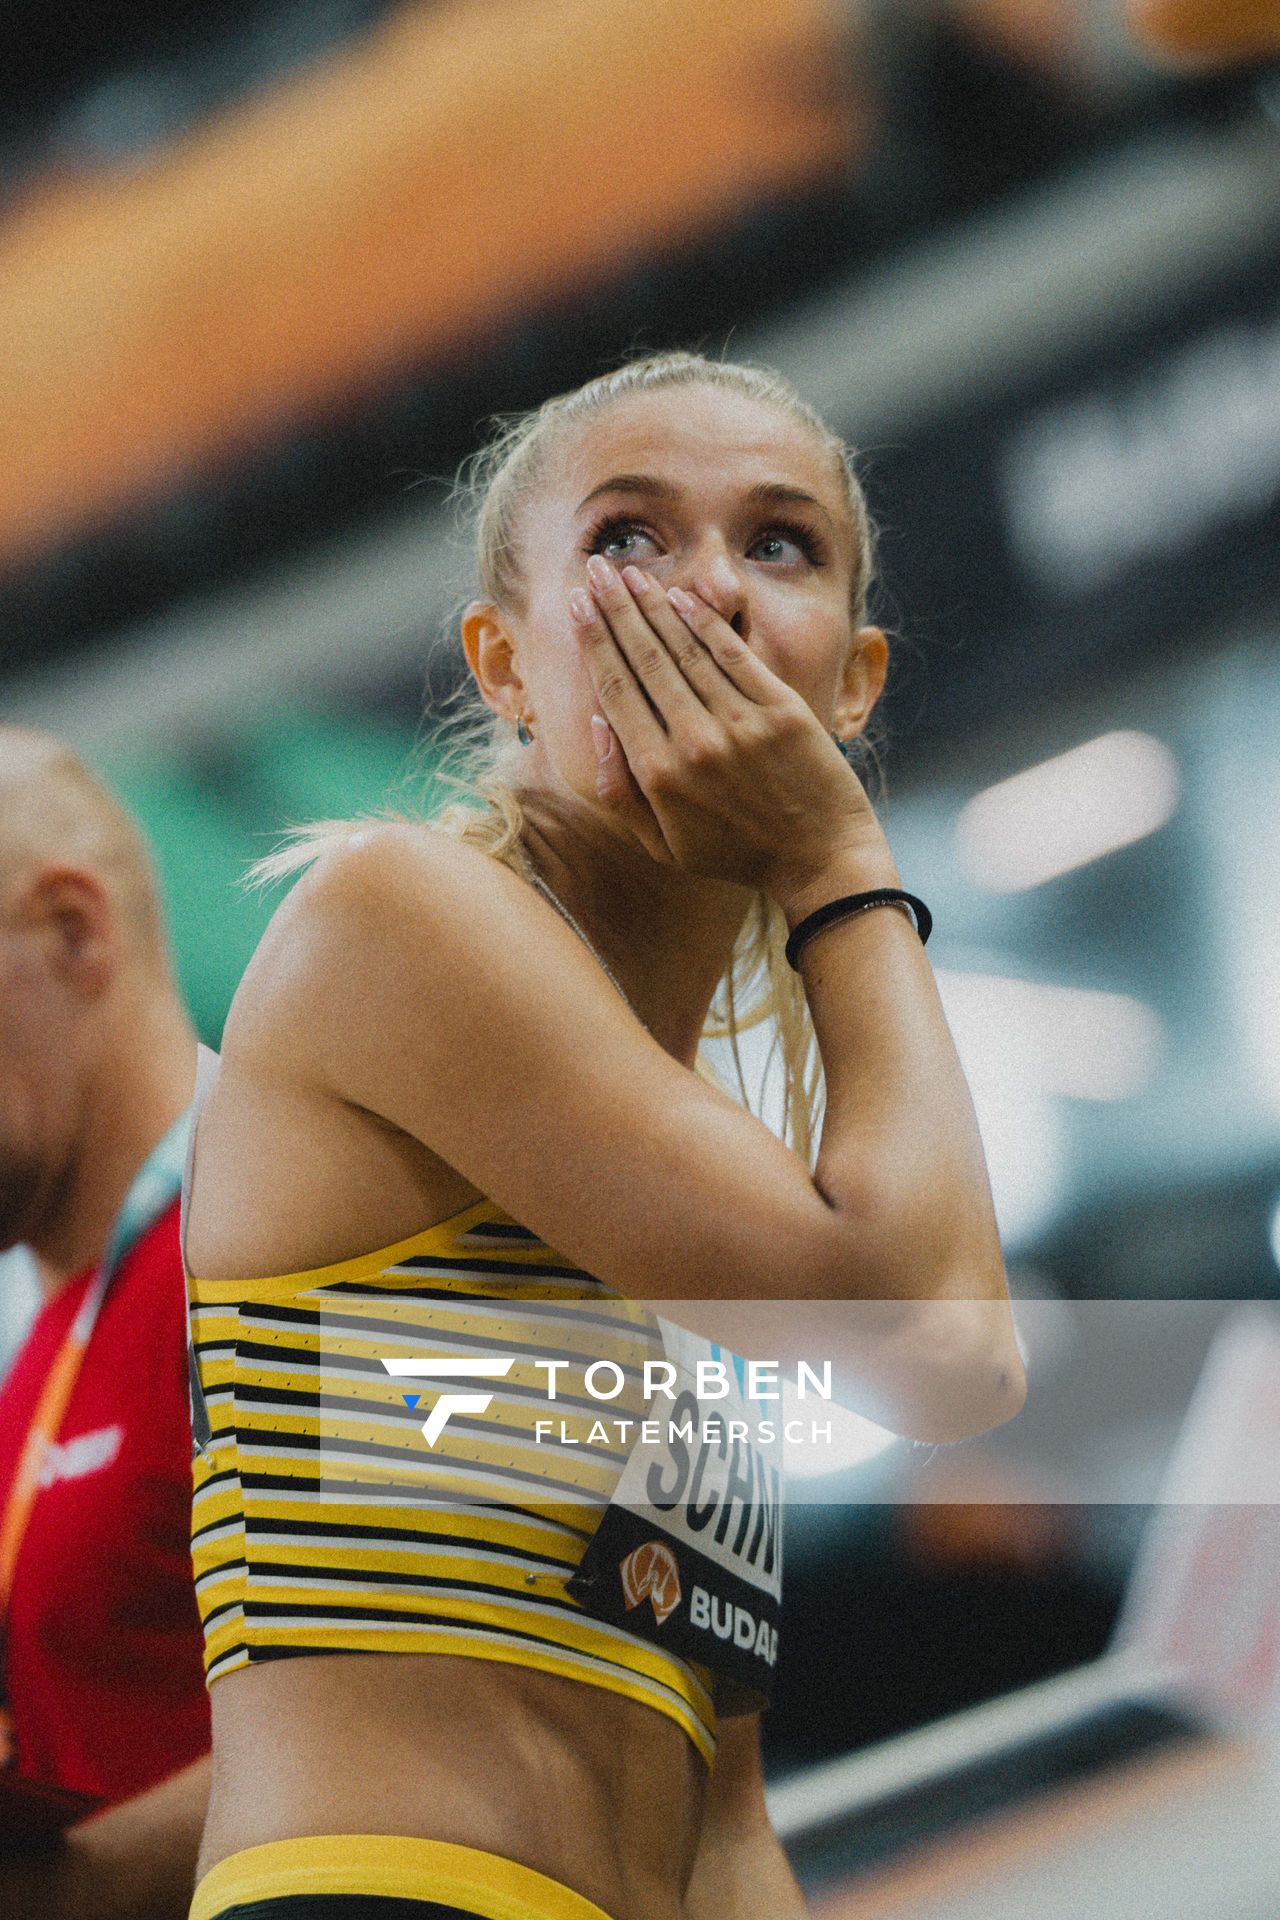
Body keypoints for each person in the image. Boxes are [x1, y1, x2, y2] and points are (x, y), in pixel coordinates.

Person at [183, 350, 1026, 1920]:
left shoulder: (690, 1163)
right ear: (504, 665)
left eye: (778, 544)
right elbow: (900, 1315)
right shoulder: (398, 915)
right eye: (629, 540)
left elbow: (956, 1368)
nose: (704, 593)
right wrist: (835, 845)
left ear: (854, 678)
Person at [0, 728, 211, 1918]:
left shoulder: (287, 1239)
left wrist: (58, 1894)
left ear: (74, 930)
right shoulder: (40, 1362)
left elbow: (472, 1684)